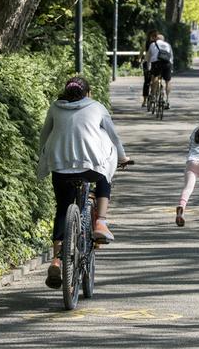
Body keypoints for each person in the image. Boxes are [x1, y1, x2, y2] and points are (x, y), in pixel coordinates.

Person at [37, 77, 130, 289]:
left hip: (60, 166)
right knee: (105, 173)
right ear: (88, 93)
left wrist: (42, 156)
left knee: (62, 209)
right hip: (90, 167)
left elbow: (45, 135)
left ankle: (56, 260)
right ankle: (101, 222)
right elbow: (113, 137)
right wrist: (122, 158)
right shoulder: (97, 107)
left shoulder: (55, 107)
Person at [147, 33, 174, 109]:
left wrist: (148, 66)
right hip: (167, 63)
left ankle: (153, 96)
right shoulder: (168, 45)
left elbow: (149, 56)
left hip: (156, 63)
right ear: (163, 39)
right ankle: (167, 100)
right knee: (168, 81)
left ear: (156, 39)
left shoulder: (153, 44)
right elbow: (171, 57)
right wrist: (171, 68)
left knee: (155, 76)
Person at [140, 30, 159, 107]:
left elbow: (141, 52)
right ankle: (155, 95)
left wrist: (139, 59)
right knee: (156, 78)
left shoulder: (147, 43)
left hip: (148, 63)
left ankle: (145, 101)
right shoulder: (160, 43)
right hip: (158, 63)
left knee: (146, 82)